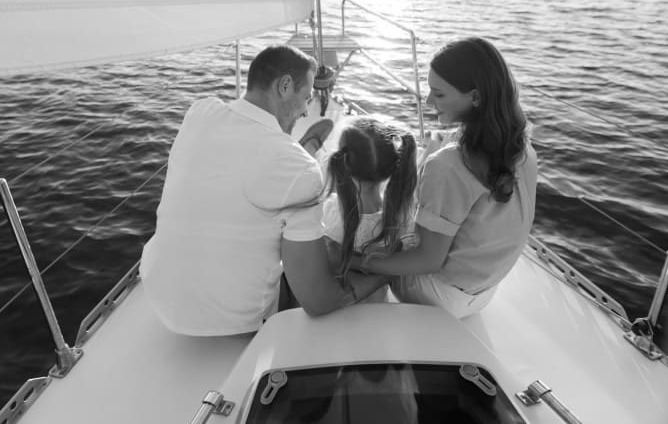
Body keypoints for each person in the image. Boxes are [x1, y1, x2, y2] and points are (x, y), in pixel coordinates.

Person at [140, 44, 388, 336]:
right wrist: (383, 274)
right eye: (306, 97)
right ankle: (304, 150)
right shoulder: (301, 171)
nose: (307, 109)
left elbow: (241, 148)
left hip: (157, 291)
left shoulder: (200, 111)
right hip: (235, 321)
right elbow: (319, 300)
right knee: (325, 255)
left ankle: (304, 147)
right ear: (284, 85)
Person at [349, 37, 537, 319]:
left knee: (357, 232)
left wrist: (359, 260)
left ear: (475, 97)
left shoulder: (450, 166)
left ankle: (362, 307)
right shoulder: (522, 146)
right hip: (483, 292)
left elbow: (427, 260)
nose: (427, 101)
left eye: (438, 94)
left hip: (439, 297)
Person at [321, 117, 417, 301]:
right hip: (377, 312)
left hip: (338, 313)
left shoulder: (331, 212)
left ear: (342, 163)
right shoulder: (401, 218)